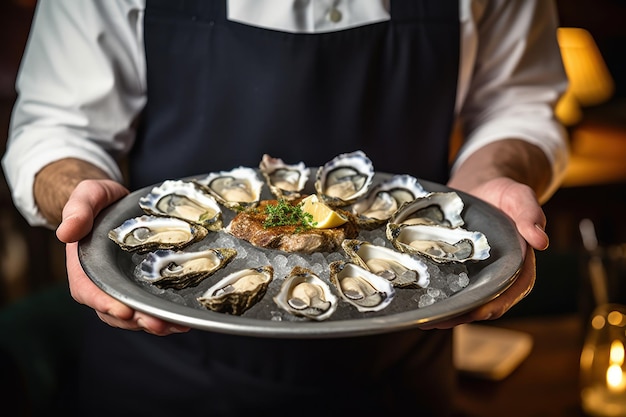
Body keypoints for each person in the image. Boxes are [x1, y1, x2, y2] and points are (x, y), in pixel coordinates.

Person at [2, 0, 569, 415]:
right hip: (164, 371)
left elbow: (518, 104)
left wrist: (494, 176)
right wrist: (81, 193)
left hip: (400, 367)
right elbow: (57, 128)